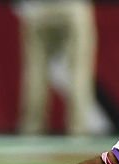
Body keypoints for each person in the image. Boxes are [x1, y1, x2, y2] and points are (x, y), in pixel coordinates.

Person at [16, 0, 97, 136]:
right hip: (72, 7)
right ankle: (78, 130)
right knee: (79, 70)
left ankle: (31, 129)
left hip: (38, 10)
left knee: (36, 71)